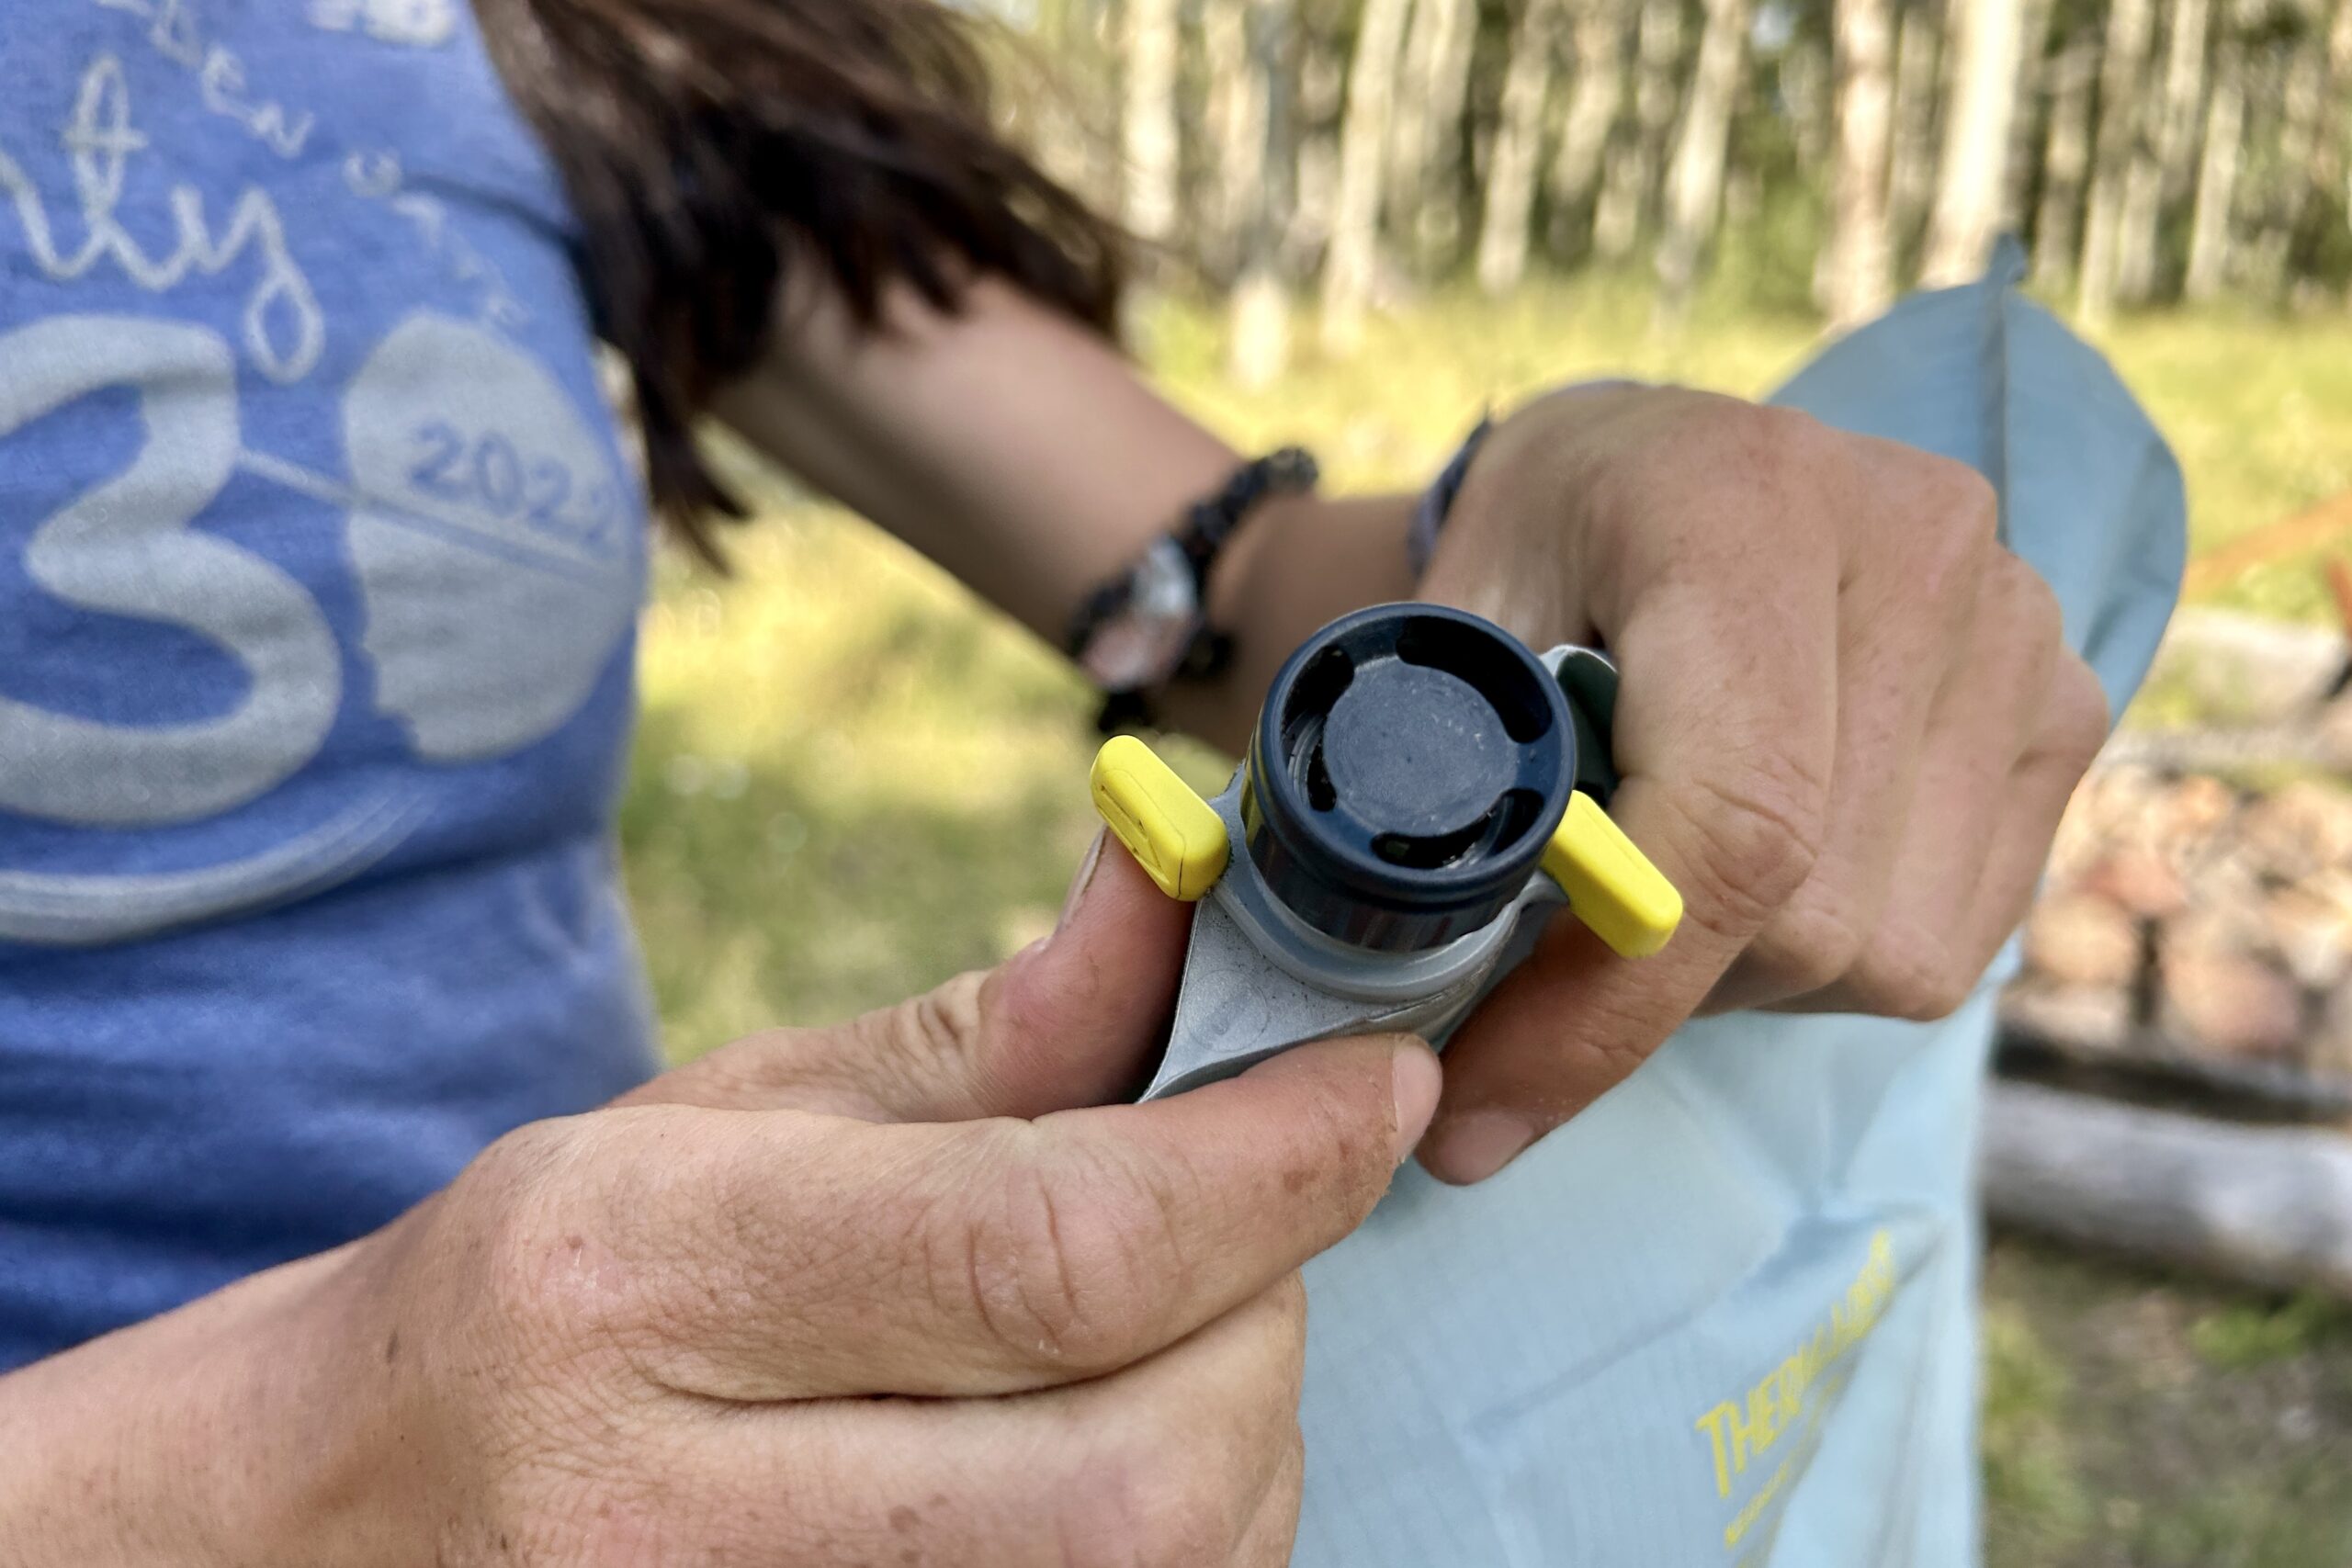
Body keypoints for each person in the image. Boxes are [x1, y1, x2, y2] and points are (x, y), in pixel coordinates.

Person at [0, 1, 2179, 1564]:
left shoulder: (488, 40)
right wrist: (265, 1474)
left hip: (782, 1417)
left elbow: (1204, 573)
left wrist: (1571, 485)